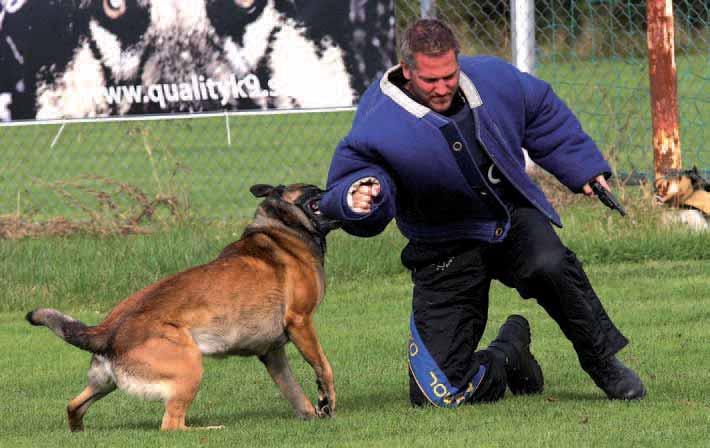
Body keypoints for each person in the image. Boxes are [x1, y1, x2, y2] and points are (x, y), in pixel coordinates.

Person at [319, 18, 645, 406]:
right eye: (429, 81)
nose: (442, 88)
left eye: (449, 76)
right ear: (407, 71)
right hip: (443, 246)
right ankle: (508, 355)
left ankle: (603, 363)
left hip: (510, 217)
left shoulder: (492, 77)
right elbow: (357, 177)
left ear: (458, 60)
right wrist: (357, 197)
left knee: (553, 265)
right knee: (437, 394)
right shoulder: (378, 119)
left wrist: (583, 168)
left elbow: (539, 110)